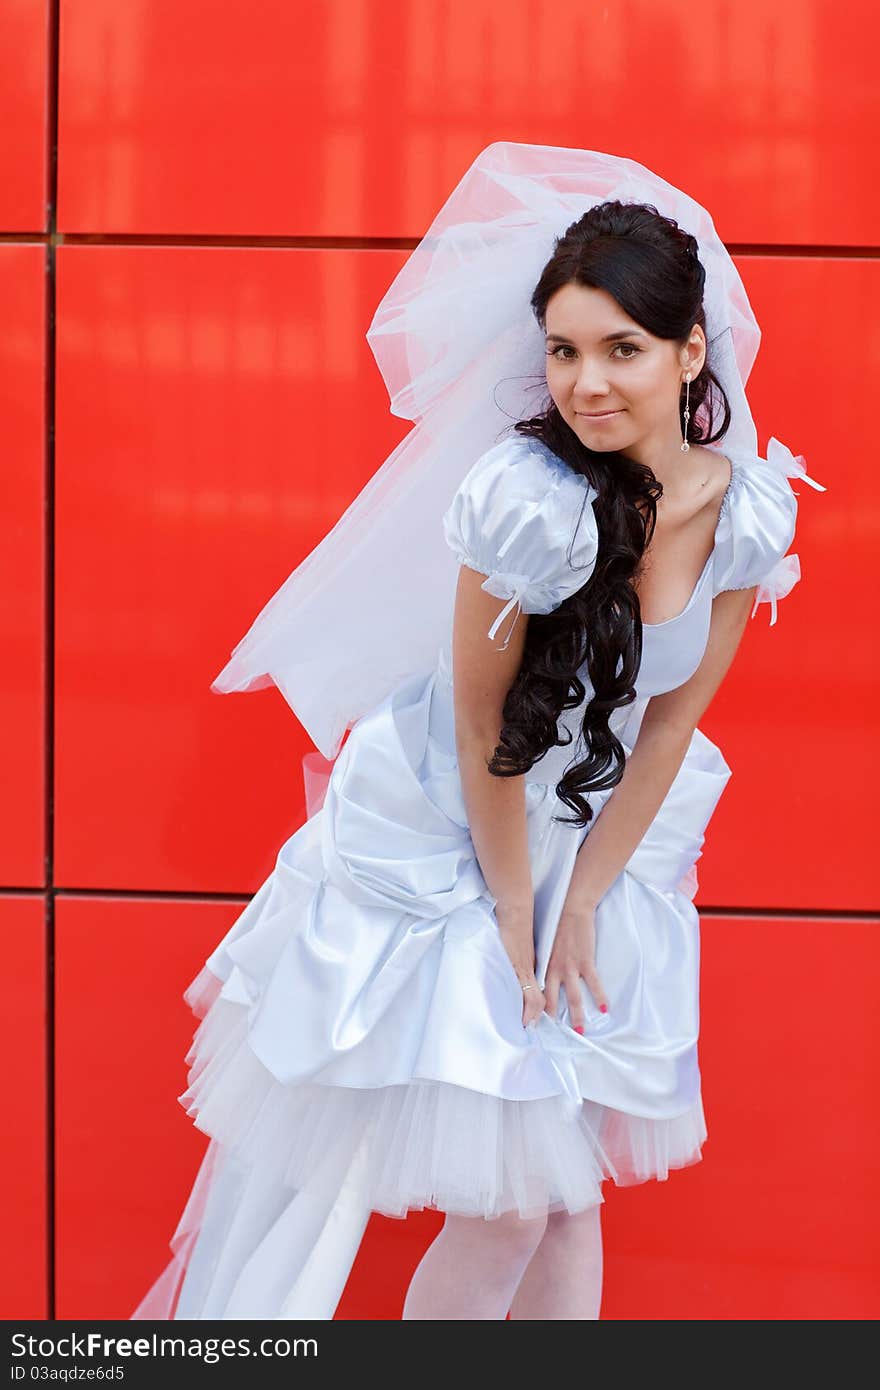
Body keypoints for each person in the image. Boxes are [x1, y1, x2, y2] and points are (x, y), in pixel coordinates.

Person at [129, 144, 824, 1322]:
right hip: (460, 834)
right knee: (507, 1202)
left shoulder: (741, 511)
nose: (586, 383)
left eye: (622, 350)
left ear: (690, 352)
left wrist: (590, 895)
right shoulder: (524, 501)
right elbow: (480, 726)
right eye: (563, 349)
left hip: (602, 840)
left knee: (566, 1196)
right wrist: (517, 912)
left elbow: (669, 726)